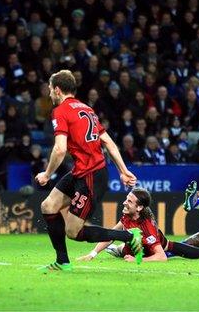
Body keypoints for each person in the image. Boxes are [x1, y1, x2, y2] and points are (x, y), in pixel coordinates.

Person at [36, 70, 143, 272]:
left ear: (57, 90)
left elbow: (60, 149)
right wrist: (123, 170)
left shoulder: (60, 110)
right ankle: (62, 262)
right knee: (48, 206)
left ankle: (128, 236)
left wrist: (47, 174)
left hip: (92, 175)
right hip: (82, 170)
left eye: (50, 90)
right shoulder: (87, 109)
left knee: (73, 231)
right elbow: (108, 142)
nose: (49, 94)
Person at [78, 188, 199, 263]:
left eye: (129, 201)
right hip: (136, 246)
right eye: (126, 199)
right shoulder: (127, 214)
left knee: (180, 249)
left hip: (157, 248)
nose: (124, 202)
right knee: (125, 243)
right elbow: (111, 233)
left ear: (139, 208)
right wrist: (92, 254)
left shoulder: (147, 229)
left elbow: (161, 257)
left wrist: (137, 261)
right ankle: (121, 250)